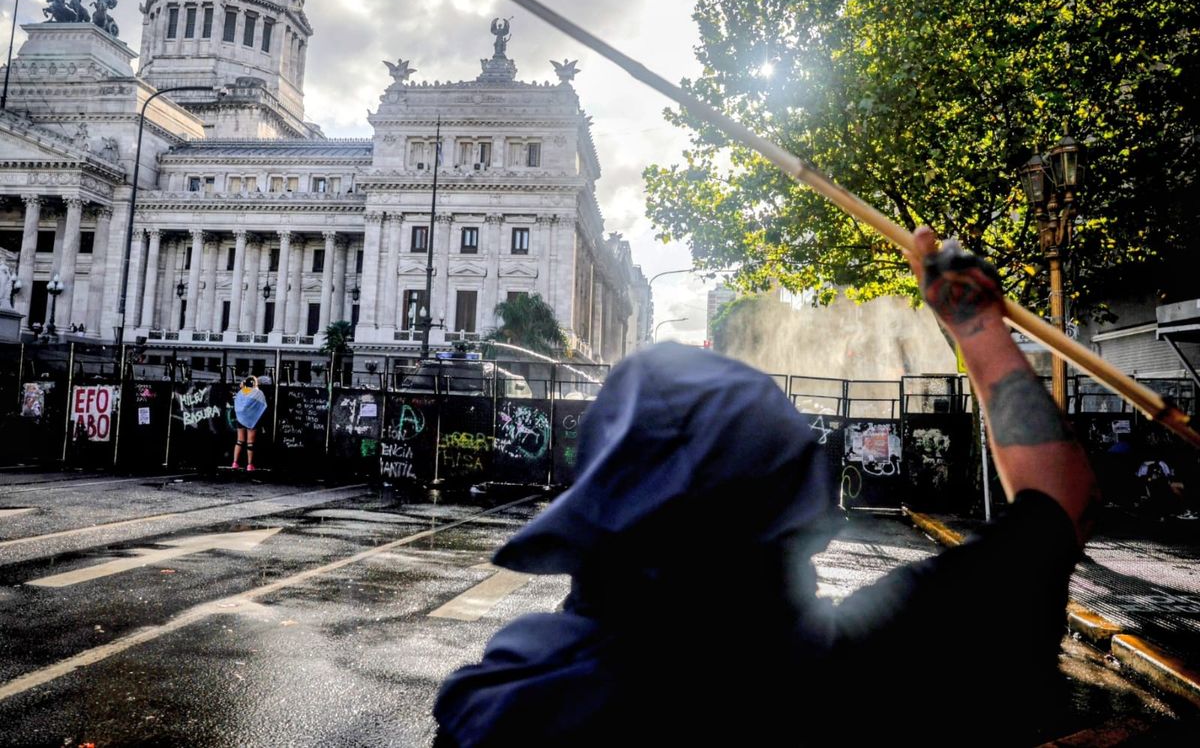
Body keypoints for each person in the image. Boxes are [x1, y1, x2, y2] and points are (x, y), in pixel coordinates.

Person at [431, 227, 1099, 747]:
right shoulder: (856, 670)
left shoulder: (495, 705)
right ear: (793, 496)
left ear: (600, 491)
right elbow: (1057, 498)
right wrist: (975, 323)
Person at [232, 375, 267, 471]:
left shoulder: (241, 392)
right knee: (250, 443)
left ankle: (235, 463)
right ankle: (249, 465)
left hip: (240, 419)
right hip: (252, 420)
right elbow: (263, 405)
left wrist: (243, 386)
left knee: (239, 441)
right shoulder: (258, 393)